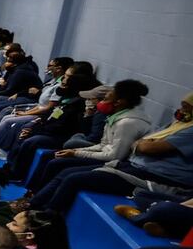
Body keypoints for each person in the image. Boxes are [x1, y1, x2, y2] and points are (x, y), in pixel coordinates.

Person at [23, 90, 193, 214]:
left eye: (186, 108)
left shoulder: (128, 123)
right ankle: (33, 204)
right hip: (135, 167)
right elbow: (111, 143)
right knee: (64, 166)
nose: (181, 111)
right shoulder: (175, 125)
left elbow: (143, 147)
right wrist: (76, 150)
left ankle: (45, 218)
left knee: (73, 177)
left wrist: (76, 153)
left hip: (155, 178)